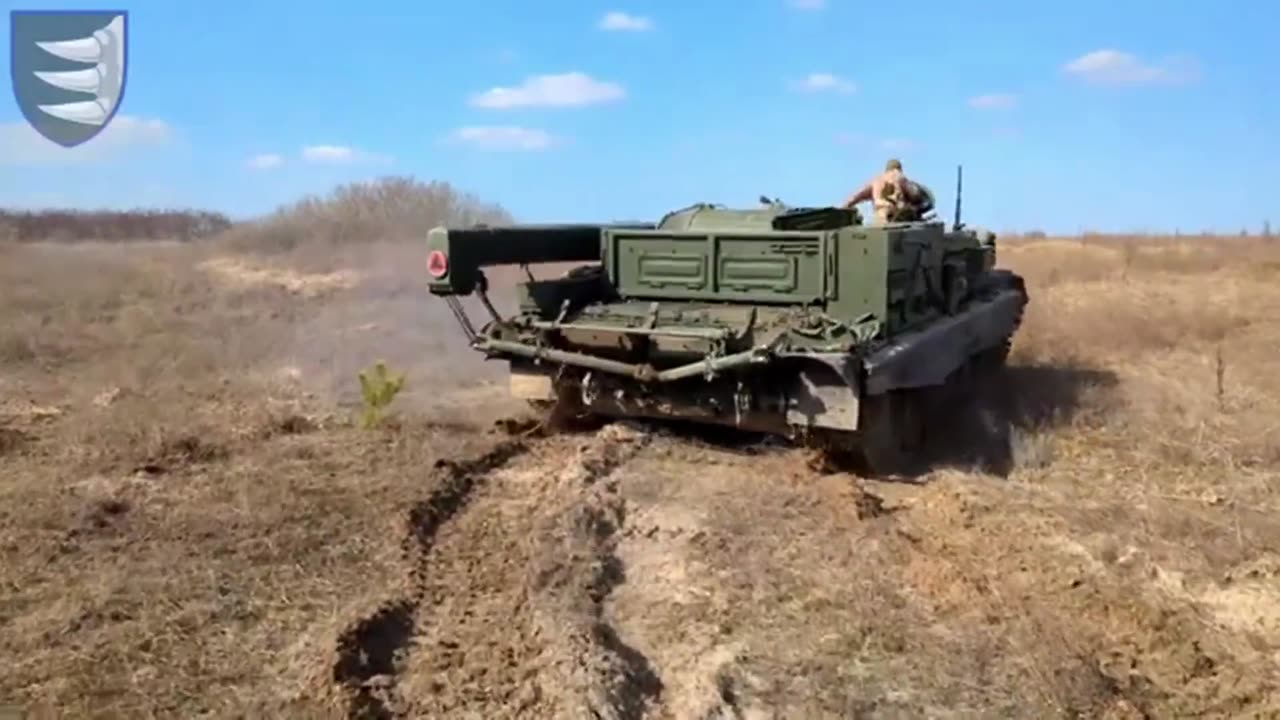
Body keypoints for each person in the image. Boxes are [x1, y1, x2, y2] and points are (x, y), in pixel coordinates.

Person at [841, 159, 910, 224]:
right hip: (903, 222)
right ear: (900, 169)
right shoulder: (903, 179)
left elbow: (855, 196)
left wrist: (843, 207)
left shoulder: (877, 180)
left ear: (886, 169)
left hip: (882, 222)